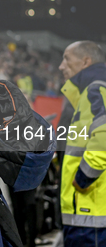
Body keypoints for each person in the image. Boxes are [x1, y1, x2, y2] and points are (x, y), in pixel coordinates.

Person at [58, 41, 106, 247]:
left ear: (85, 61)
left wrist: (82, 178)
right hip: (88, 213)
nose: (61, 66)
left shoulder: (95, 89)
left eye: (67, 59)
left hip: (91, 214)